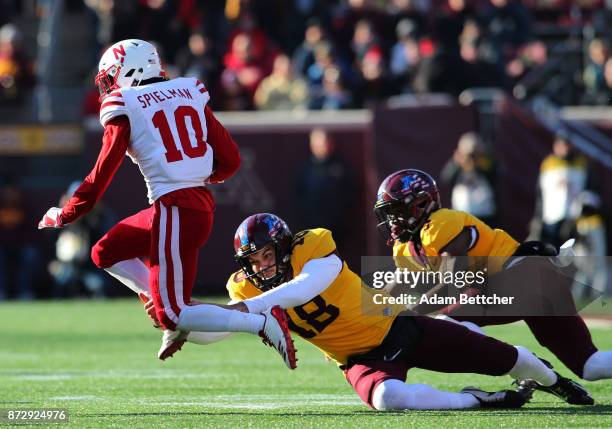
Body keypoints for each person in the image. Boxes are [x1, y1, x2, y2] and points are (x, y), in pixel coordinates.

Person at [144, 213, 594, 410]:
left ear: (284, 246)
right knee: (388, 400)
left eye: (267, 255)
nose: (262, 265)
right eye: (254, 260)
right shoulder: (243, 287)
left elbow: (307, 287)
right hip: (357, 359)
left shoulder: (312, 248)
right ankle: (481, 401)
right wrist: (185, 324)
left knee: (507, 358)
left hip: (400, 326)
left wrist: (251, 309)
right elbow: (221, 330)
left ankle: (556, 381)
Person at [37, 39, 296, 369]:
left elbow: (101, 173)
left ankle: (260, 320)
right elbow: (230, 159)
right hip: (188, 205)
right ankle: (162, 304)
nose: (109, 86)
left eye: (111, 77)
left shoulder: (125, 103)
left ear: (129, 70)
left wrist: (66, 212)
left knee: (173, 313)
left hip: (174, 208)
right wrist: (194, 174)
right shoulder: (188, 90)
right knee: (105, 251)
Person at [374, 168, 612, 384]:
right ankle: (528, 365)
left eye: (396, 210)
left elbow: (452, 285)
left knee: (447, 323)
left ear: (422, 204)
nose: (392, 221)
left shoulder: (440, 223)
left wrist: (411, 313)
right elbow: (393, 289)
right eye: (388, 213)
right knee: (592, 366)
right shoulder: (406, 248)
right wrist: (365, 317)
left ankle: (523, 363)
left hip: (525, 275)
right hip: (529, 281)